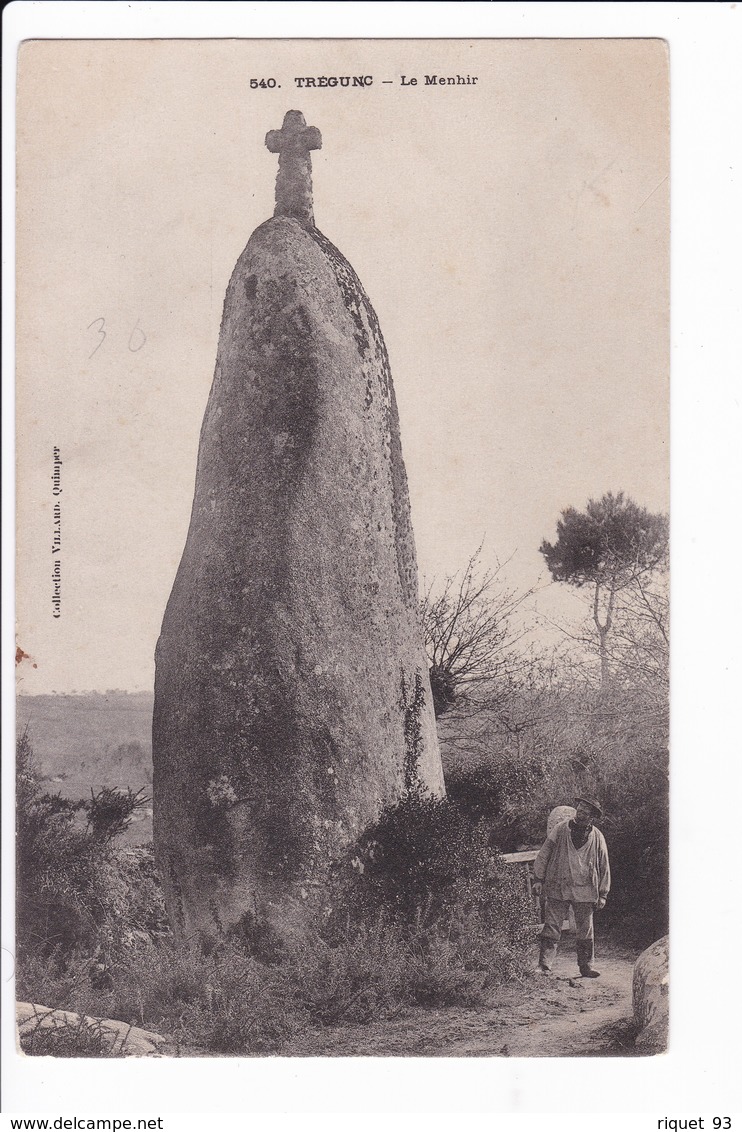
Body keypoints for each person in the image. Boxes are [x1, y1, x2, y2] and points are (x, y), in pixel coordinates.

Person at [532, 796, 610, 978]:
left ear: (592, 817)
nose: (581, 813)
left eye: (586, 812)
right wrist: (538, 879)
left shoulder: (597, 837)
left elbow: (604, 865)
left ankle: (586, 967)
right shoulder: (561, 830)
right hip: (558, 885)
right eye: (580, 809)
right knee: (551, 926)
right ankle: (544, 965)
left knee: (586, 929)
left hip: (585, 889)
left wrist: (603, 893)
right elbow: (544, 854)